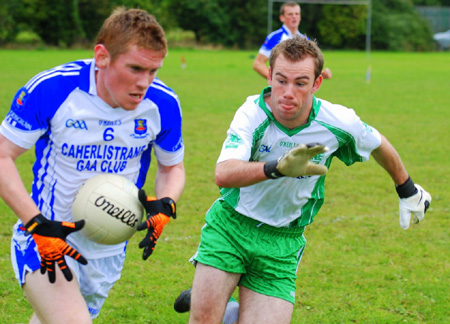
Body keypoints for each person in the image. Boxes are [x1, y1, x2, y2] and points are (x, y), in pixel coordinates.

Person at [187, 36, 431, 324]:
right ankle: (217, 301)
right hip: (231, 226)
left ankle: (228, 311)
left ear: (316, 84)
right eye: (281, 81)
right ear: (269, 75)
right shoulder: (252, 113)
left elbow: (378, 144)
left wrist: (407, 189)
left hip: (282, 242)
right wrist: (276, 167)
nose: (287, 92)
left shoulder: (338, 122)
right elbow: (224, 172)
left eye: (300, 83)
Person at [0, 7, 185, 324]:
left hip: (108, 247)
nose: (145, 82)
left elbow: (172, 167)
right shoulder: (54, 89)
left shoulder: (163, 104)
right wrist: (36, 224)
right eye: (136, 68)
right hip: (46, 238)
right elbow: (3, 155)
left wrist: (166, 203)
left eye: (153, 71)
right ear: (102, 56)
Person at [253, 1, 333, 80]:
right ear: (282, 18)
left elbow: (310, 66)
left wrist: (322, 73)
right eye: (290, 14)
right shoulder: (275, 37)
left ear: (300, 17)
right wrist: (277, 80)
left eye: (297, 14)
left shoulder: (305, 39)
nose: (294, 16)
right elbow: (258, 64)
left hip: (300, 88)